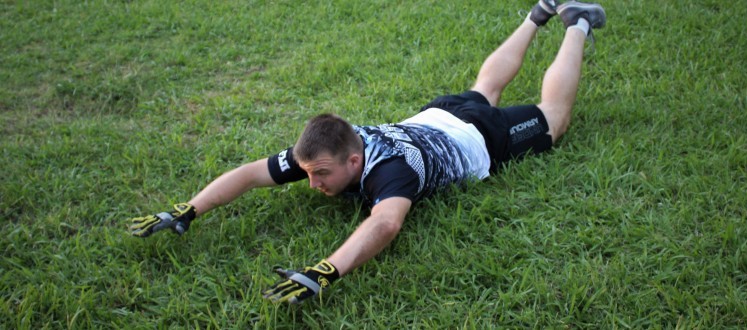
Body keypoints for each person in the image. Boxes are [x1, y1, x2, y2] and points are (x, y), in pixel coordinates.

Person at [128, 0, 606, 304]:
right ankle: (537, 11)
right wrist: (189, 208)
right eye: (306, 172)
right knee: (483, 86)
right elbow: (252, 173)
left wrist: (325, 271)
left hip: (478, 136)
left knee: (553, 116)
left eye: (320, 175)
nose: (312, 183)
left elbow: (386, 223)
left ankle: (576, 20)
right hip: (437, 115)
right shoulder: (328, 147)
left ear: (355, 163)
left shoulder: (390, 173)